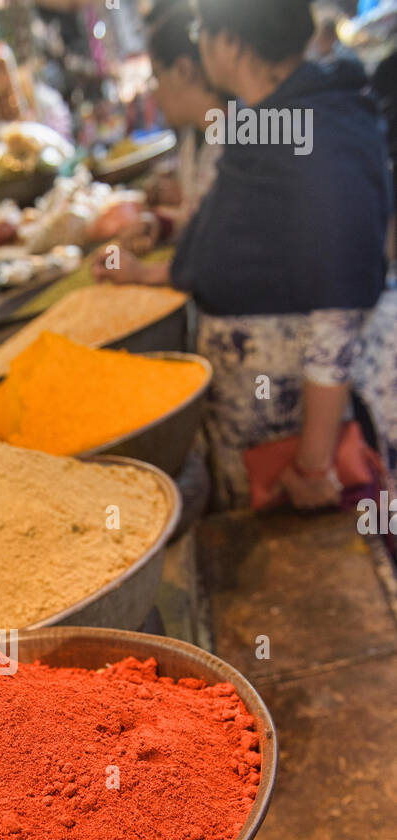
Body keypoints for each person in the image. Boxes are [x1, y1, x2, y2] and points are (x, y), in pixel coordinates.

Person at [94, 0, 392, 509]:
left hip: (307, 438)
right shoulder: (266, 124)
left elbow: (337, 309)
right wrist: (147, 271)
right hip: (266, 428)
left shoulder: (313, 131)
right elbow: (237, 250)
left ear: (230, 42)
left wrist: (314, 462)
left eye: (202, 30)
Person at [143, 0, 226, 239]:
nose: (154, 92)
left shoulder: (239, 141)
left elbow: (225, 244)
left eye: (155, 76)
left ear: (183, 70)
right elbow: (201, 219)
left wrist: (147, 273)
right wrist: (160, 224)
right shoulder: (194, 139)